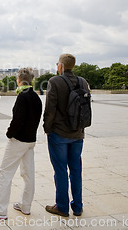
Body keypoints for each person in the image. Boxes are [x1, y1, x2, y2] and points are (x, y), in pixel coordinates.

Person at [0, 68, 42, 219]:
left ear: (19, 80)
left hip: (19, 140)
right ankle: (25, 205)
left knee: (5, 173)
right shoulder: (36, 97)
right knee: (28, 174)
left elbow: (17, 120)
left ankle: (0, 209)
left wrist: (9, 133)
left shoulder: (22, 97)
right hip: (30, 140)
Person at [43, 54, 89, 217]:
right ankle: (77, 206)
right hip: (78, 133)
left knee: (60, 170)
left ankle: (62, 206)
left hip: (59, 133)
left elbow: (50, 109)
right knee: (76, 170)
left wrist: (47, 128)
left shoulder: (54, 81)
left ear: (61, 66)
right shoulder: (82, 81)